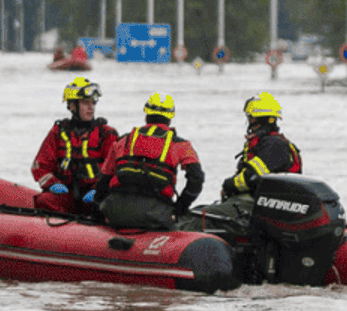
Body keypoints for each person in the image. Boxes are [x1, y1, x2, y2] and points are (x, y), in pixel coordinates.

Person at [184, 92, 304, 231]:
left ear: (256, 119)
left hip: (260, 206)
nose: (249, 122)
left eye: (250, 118)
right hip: (258, 204)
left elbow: (252, 177)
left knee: (200, 219)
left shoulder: (274, 145)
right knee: (196, 211)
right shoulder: (269, 143)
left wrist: (229, 185)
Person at [92, 92, 205, 231]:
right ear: (170, 119)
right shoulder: (181, 145)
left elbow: (103, 181)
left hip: (115, 210)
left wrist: (98, 212)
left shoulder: (123, 140)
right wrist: (179, 209)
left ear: (146, 116)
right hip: (154, 215)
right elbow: (197, 178)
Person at [30, 77, 118, 216]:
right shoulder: (58, 132)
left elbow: (115, 168)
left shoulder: (106, 133)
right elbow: (40, 165)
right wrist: (52, 184)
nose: (91, 107)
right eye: (85, 103)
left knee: (100, 206)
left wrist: (98, 189)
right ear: (72, 106)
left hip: (94, 194)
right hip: (66, 193)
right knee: (43, 200)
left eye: (93, 103)